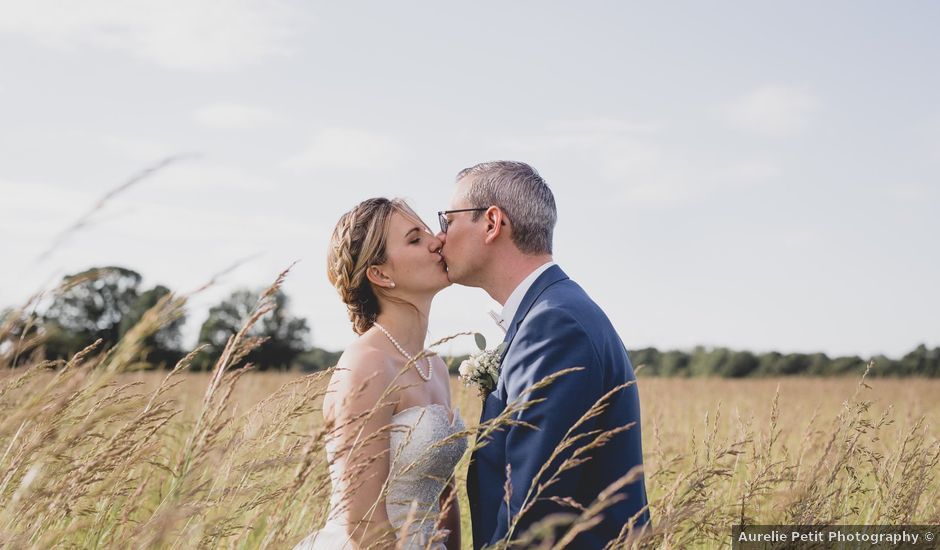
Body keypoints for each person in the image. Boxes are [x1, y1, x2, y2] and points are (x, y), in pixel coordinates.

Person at [438, 161, 650, 549]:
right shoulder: (552, 311)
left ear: (491, 223)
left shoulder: (554, 324)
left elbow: (533, 506)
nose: (439, 237)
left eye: (447, 220)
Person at [294, 198, 466, 550]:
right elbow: (363, 521)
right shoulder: (366, 364)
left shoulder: (433, 366)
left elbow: (444, 498)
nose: (436, 241)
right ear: (381, 274)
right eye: (414, 239)